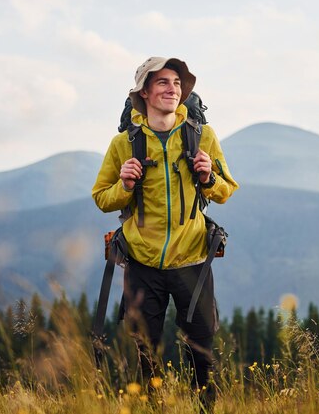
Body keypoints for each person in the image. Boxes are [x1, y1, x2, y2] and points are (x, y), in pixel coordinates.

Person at [92, 57, 238, 405]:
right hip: (143, 263)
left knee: (202, 355)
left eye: (177, 83)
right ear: (144, 92)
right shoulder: (124, 144)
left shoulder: (202, 136)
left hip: (192, 262)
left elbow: (226, 189)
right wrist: (125, 184)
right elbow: (102, 198)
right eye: (163, 82)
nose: (172, 89)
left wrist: (208, 177)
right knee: (146, 355)